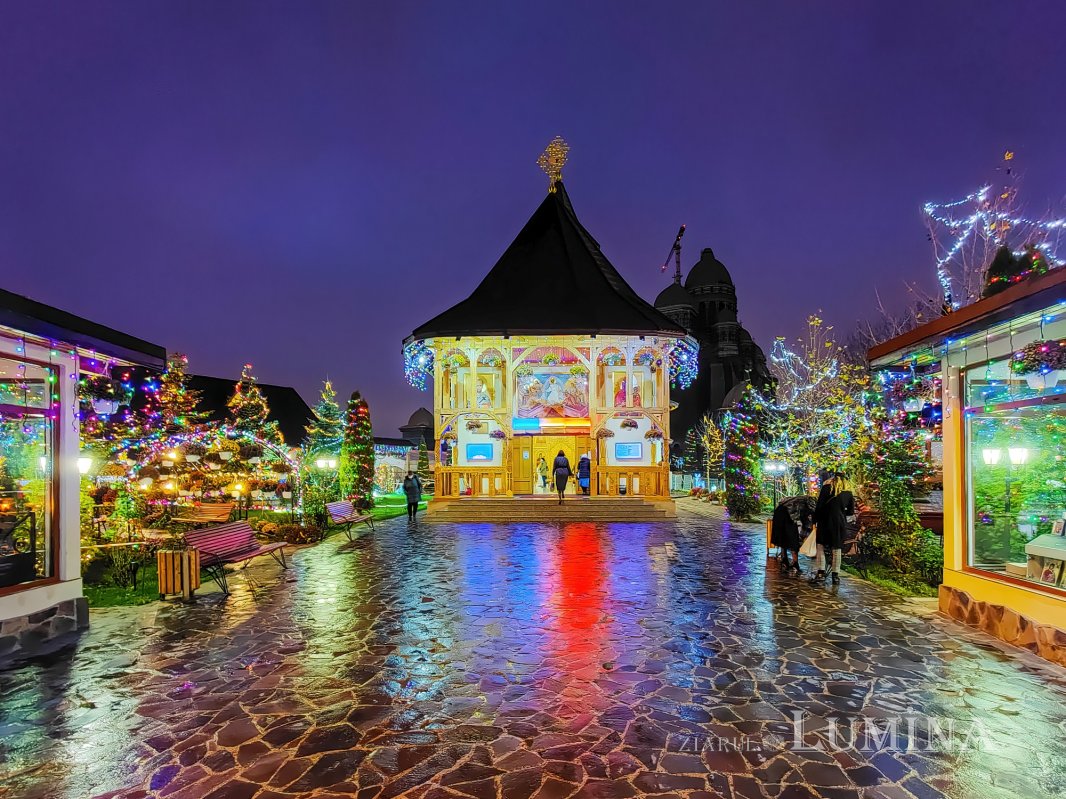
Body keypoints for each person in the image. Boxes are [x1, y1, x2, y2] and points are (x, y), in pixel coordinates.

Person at [810, 472, 855, 586]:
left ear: (833, 478)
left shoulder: (826, 488)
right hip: (839, 523)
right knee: (837, 548)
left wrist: (814, 520)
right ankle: (835, 576)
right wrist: (841, 512)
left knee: (820, 546)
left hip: (825, 521)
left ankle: (821, 573)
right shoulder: (848, 492)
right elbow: (851, 511)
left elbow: (819, 506)